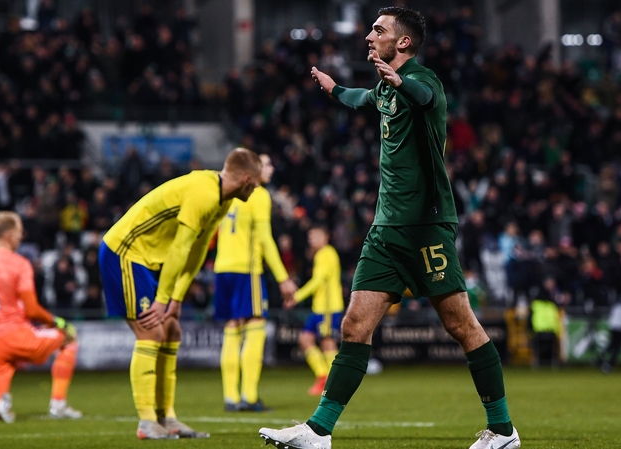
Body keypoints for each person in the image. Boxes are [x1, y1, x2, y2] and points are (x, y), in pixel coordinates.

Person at [259, 7, 519, 449]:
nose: (367, 36)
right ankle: (318, 431)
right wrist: (335, 89)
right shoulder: (383, 87)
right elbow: (365, 98)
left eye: (378, 30)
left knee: (462, 327)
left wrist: (403, 82)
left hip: (425, 227)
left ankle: (502, 430)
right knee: (354, 325)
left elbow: (422, 97)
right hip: (385, 229)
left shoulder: (425, 80)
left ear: (403, 43)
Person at [98, 148, 262, 440]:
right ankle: (147, 422)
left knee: (171, 330)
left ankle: (168, 418)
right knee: (150, 332)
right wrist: (163, 300)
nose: (259, 187)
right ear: (247, 179)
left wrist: (175, 300)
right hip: (124, 251)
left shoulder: (222, 200)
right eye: (258, 181)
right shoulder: (204, 192)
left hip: (147, 261)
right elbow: (180, 249)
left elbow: (197, 251)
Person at [0, 211, 81, 423]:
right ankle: (58, 405)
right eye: (19, 232)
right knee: (69, 339)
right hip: (17, 334)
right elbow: (32, 310)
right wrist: (58, 322)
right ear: (9, 235)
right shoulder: (19, 264)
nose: (21, 237)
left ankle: (0, 403)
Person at [214, 153, 298, 412]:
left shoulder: (227, 192)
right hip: (246, 270)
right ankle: (249, 397)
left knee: (232, 328)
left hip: (222, 267)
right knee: (256, 325)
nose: (271, 168)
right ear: (253, 170)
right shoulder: (258, 195)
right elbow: (265, 238)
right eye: (266, 164)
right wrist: (283, 277)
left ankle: (230, 397)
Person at [284, 225, 344, 396]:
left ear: (325, 237)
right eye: (310, 237)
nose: (312, 240)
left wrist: (297, 296)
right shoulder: (322, 254)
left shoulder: (326, 254)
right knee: (305, 339)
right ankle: (323, 376)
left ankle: (333, 382)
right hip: (319, 307)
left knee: (327, 342)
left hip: (327, 307)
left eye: (315, 236)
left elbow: (318, 280)